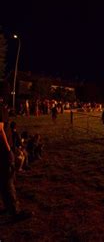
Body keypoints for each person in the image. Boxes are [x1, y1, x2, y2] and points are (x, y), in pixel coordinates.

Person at [0, 88, 33, 221]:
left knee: (2, 180)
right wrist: (8, 150)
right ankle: (14, 211)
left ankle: (7, 206)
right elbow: (0, 129)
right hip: (2, 151)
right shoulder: (0, 107)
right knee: (8, 180)